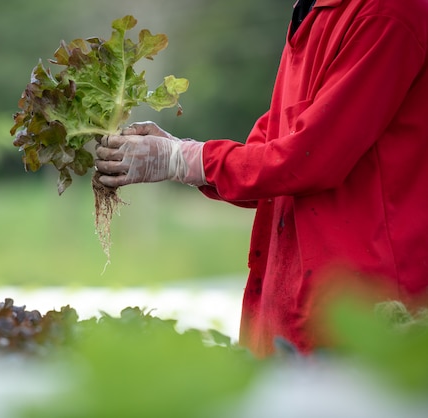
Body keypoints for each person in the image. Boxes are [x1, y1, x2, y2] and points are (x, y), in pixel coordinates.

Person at [94, 0, 428, 357]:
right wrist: (180, 153)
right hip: (296, 300)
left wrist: (184, 160)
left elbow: (309, 159)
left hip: (362, 310)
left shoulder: (387, 11)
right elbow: (271, 151)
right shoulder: (312, 11)